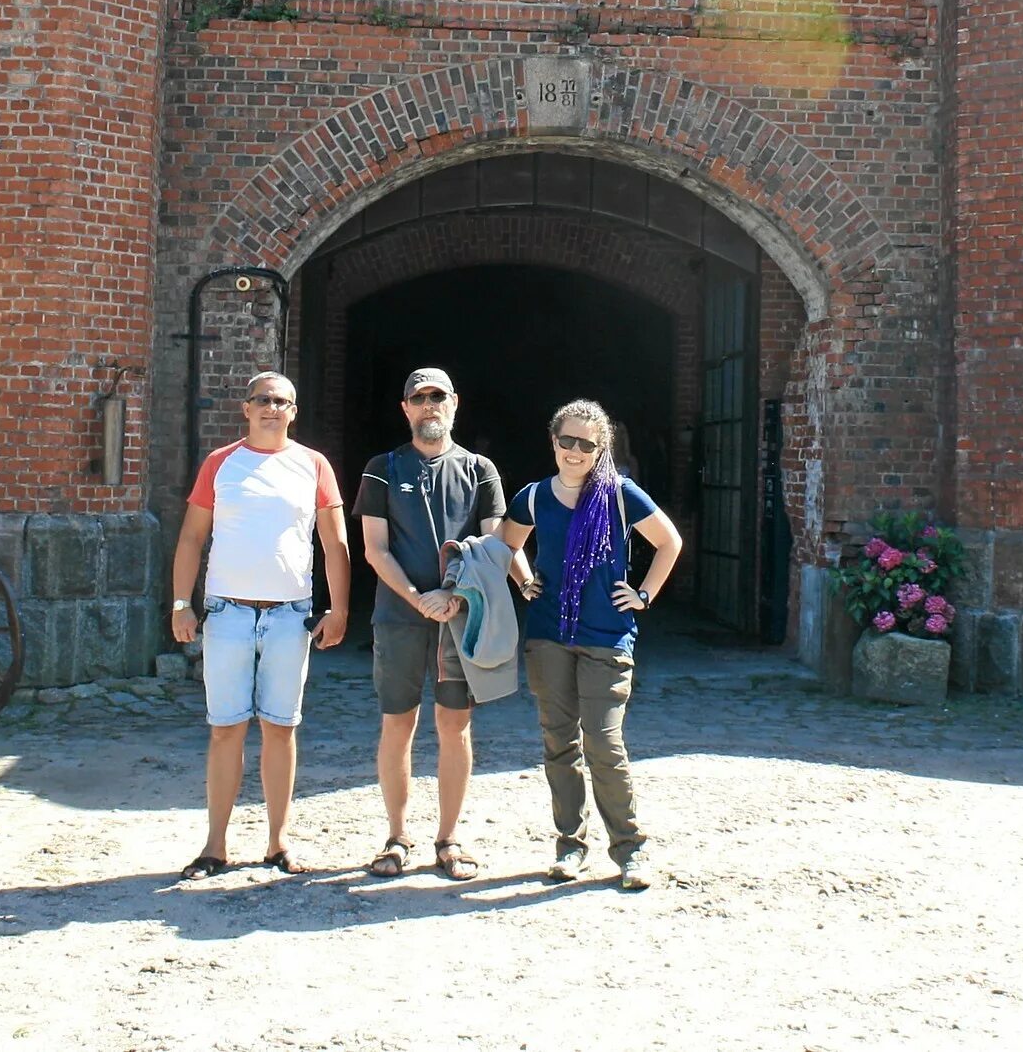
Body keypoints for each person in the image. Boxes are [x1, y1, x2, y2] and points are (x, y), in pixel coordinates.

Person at [169, 370, 350, 877]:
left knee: (280, 728)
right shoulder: (220, 463)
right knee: (225, 730)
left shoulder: (312, 465)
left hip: (289, 616)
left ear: (294, 412)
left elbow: (335, 543)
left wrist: (339, 609)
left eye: (283, 401)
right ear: (246, 408)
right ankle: (215, 845)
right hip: (226, 612)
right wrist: (182, 603)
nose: (273, 408)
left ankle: (277, 841)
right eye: (263, 399)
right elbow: (190, 539)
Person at [500, 398, 683, 891]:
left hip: (606, 636)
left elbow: (669, 542)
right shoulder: (534, 497)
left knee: (604, 742)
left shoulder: (621, 494)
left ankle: (629, 848)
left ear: (602, 448)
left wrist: (643, 594)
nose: (575, 451)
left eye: (587, 443)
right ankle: (570, 846)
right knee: (559, 742)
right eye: (567, 441)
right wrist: (524, 582)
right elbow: (506, 544)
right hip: (549, 636)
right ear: (553, 442)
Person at [354, 366, 509, 880]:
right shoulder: (381, 468)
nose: (429, 405)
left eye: (437, 395)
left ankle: (449, 838)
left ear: (454, 403)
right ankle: (397, 837)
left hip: (459, 618)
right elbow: (375, 549)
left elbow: (492, 545)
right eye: (418, 397)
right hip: (399, 617)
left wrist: (453, 594)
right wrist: (420, 597)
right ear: (405, 408)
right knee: (397, 724)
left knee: (455, 725)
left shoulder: (480, 469)